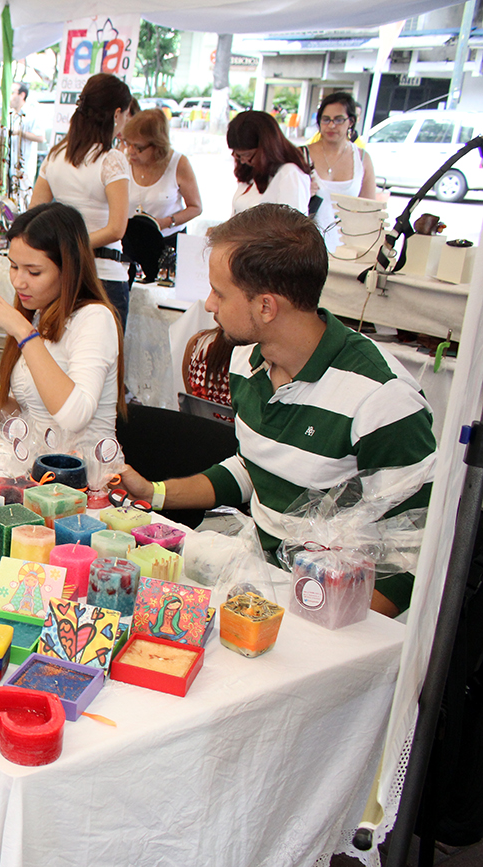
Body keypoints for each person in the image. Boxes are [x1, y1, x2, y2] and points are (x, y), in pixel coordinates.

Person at [119, 204, 435, 617]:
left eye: (220, 292)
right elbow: (254, 468)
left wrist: (326, 633)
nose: (209, 303)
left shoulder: (381, 400)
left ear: (266, 307)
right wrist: (155, 493)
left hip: (337, 609)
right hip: (264, 581)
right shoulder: (246, 360)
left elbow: (416, 552)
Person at [0, 202, 125, 450]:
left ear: (68, 269)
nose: (18, 282)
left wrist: (23, 332)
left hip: (80, 478)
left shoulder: (94, 318)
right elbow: (26, 419)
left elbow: (74, 417)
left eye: (33, 272)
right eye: (13, 266)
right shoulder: (38, 315)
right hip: (35, 469)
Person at [30, 73, 133, 329]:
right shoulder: (111, 159)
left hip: (66, 273)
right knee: (103, 362)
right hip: (103, 275)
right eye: (128, 114)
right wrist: (74, 244)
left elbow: (34, 215)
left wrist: (65, 247)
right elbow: (117, 228)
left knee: (59, 358)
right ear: (117, 113)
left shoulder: (55, 156)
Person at [303, 92, 378, 251]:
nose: (331, 126)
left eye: (338, 120)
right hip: (304, 246)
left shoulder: (363, 159)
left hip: (346, 248)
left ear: (350, 121)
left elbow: (369, 210)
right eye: (326, 119)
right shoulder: (301, 155)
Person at [123, 108, 202, 245]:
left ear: (157, 145)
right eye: (128, 144)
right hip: (130, 240)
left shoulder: (178, 163)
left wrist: (166, 222)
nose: (131, 151)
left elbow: (196, 207)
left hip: (168, 240)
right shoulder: (123, 160)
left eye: (138, 147)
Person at [226, 110, 310, 215]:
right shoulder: (253, 170)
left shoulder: (290, 174)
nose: (243, 161)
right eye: (238, 155)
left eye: (247, 155)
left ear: (267, 149)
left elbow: (292, 227)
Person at [8, 82, 46, 208]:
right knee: (11, 201)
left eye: (13, 93)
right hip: (11, 165)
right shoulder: (12, 115)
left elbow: (40, 137)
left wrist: (21, 133)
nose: (11, 96)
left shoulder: (31, 113)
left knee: (24, 200)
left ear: (22, 95)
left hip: (25, 166)